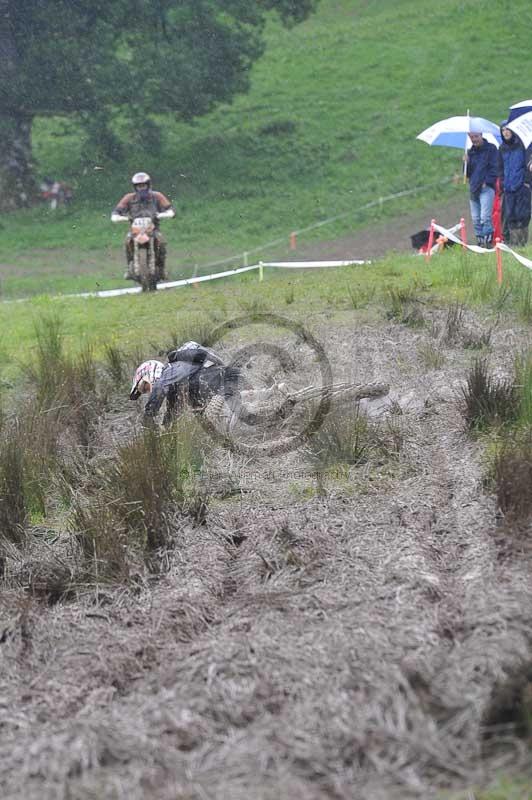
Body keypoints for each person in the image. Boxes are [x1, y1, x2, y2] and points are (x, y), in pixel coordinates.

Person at [129, 342, 242, 429]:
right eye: (145, 391)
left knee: (213, 419)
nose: (149, 391)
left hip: (226, 381)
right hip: (225, 385)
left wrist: (148, 416)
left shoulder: (173, 369)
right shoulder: (173, 386)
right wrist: (165, 428)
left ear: (150, 372)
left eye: (145, 387)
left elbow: (159, 387)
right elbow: (173, 412)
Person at [111, 172, 175, 280]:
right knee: (127, 242)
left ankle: (162, 269)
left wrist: (164, 214)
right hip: (135, 230)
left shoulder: (157, 196)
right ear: (135, 187)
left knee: (162, 242)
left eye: (143, 185)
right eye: (139, 186)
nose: (141, 188)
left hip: (153, 229)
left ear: (148, 185)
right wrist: (119, 217)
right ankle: (129, 267)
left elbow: (170, 208)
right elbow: (117, 211)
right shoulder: (129, 198)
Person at [497, 122, 532, 247]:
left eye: (508, 129)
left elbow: (527, 165)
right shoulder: (501, 148)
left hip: (522, 186)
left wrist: (527, 182)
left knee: (522, 215)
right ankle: (514, 245)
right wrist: (502, 183)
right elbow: (500, 168)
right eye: (503, 130)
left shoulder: (523, 145)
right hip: (508, 188)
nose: (506, 132)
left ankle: (522, 244)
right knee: (510, 217)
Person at [465, 129, 499, 247]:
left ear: (481, 135)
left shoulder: (491, 149)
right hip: (473, 188)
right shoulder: (470, 152)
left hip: (486, 188)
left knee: (485, 217)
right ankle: (480, 244)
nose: (474, 139)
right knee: (475, 219)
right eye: (472, 137)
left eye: (476, 136)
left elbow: (496, 168)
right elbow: (467, 174)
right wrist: (466, 163)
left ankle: (489, 242)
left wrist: (487, 181)